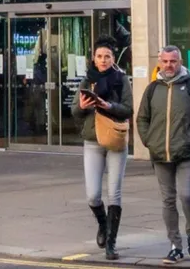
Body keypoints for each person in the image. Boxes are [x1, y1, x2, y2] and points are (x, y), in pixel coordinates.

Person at [136, 46, 190, 265]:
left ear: (180, 62)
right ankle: (175, 246)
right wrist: (149, 141)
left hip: (186, 154)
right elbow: (142, 118)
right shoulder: (152, 89)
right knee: (168, 201)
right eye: (165, 61)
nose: (169, 65)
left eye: (173, 61)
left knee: (187, 196)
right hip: (160, 154)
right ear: (160, 62)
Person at [71, 37, 133, 260]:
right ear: (93, 59)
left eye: (107, 56)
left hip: (115, 138)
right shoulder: (87, 80)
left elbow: (128, 109)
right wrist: (81, 106)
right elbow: (74, 112)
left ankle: (111, 243)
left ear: (113, 58)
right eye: (99, 56)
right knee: (93, 195)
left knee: (114, 193)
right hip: (93, 140)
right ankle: (102, 223)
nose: (103, 60)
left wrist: (109, 106)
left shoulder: (121, 79)